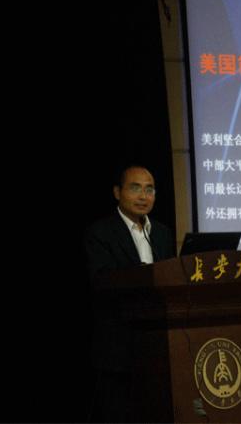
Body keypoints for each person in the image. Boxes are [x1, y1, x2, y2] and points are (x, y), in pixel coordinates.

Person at [83, 164, 175, 422]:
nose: (144, 196)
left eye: (150, 190)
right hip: (118, 348)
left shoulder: (162, 233)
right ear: (117, 192)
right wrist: (142, 275)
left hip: (158, 347)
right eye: (135, 188)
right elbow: (101, 282)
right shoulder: (99, 233)